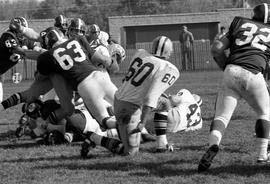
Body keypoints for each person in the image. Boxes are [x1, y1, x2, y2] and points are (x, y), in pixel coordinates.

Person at [198, 3, 270, 172]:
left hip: (232, 70)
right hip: (254, 73)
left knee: (222, 116)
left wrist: (227, 68)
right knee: (265, 112)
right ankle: (261, 155)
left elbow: (216, 49)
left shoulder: (239, 22)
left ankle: (213, 145)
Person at [111, 36, 180, 156]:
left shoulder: (141, 53)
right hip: (131, 108)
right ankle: (96, 139)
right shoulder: (168, 68)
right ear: (167, 51)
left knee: (165, 103)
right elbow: (150, 98)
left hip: (118, 99)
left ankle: (161, 145)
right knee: (131, 153)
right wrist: (142, 123)